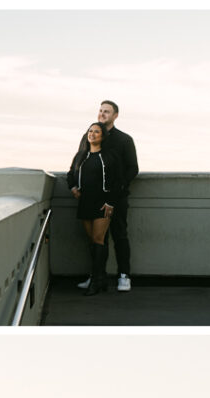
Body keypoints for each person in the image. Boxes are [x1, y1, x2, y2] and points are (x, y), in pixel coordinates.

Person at [77, 100, 139, 292]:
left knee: (119, 235)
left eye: (107, 111)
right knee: (96, 240)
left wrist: (117, 191)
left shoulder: (124, 139)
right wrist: (75, 186)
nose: (102, 114)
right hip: (91, 199)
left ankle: (124, 275)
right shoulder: (88, 136)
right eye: (100, 111)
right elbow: (79, 161)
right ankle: (97, 276)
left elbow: (132, 169)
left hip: (117, 198)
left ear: (115, 115)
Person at [67, 122, 119, 296]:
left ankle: (96, 282)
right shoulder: (81, 156)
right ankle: (101, 277)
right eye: (90, 131)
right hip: (85, 202)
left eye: (97, 132)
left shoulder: (109, 156)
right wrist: (73, 188)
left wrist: (111, 202)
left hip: (103, 203)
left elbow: (118, 181)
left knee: (98, 238)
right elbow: (70, 174)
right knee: (93, 241)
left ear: (103, 136)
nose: (93, 134)